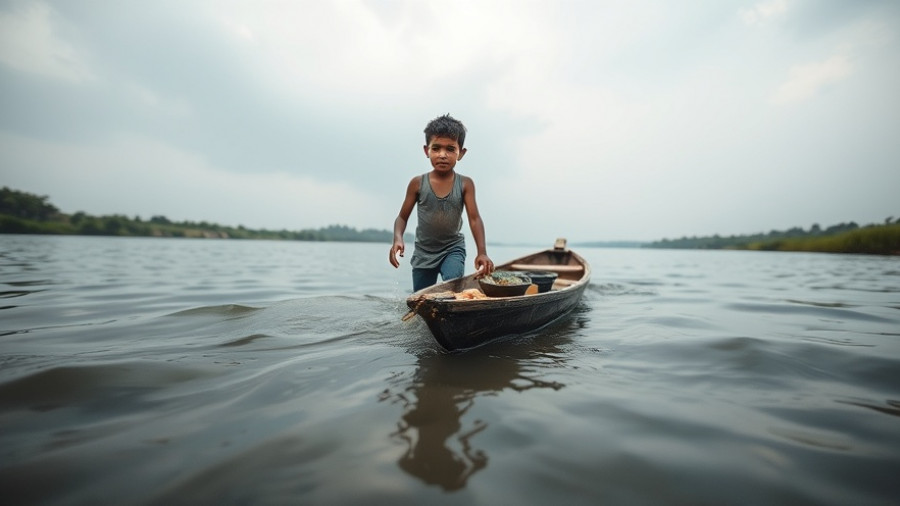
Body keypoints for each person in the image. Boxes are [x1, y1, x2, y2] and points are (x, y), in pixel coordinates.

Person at [389, 114, 493, 291]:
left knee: (452, 288)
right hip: (424, 252)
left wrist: (482, 252)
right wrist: (397, 238)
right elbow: (401, 217)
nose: (442, 155)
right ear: (426, 150)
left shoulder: (465, 184)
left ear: (461, 153)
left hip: (452, 248)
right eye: (436, 148)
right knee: (422, 297)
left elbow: (474, 219)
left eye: (450, 149)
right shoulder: (417, 183)